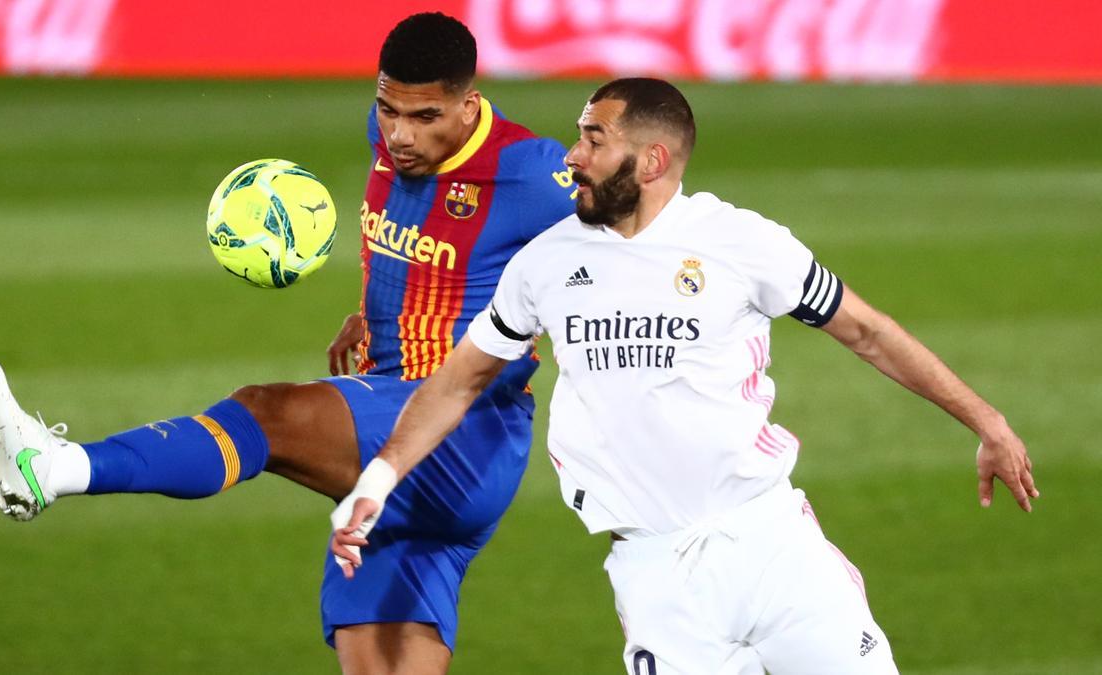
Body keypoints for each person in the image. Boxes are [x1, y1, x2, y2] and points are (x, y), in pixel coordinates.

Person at [330, 77, 1040, 674]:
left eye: (594, 139)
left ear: (650, 160)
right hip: (655, 572)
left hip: (771, 547)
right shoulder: (543, 263)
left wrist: (987, 421)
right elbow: (457, 380)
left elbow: (870, 332)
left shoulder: (742, 242)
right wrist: (379, 477)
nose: (572, 155)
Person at [0, 12, 576, 674]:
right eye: (388, 109)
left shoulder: (533, 175)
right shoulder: (387, 134)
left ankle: (54, 467)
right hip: (391, 457)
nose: (399, 134)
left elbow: (647, 230)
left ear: (469, 103)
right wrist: (379, 309)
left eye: (424, 116)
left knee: (267, 413)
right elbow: (434, 250)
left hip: (461, 435)